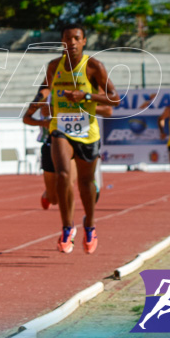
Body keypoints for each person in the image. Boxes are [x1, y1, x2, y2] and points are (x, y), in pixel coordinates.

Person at [40, 22, 119, 254]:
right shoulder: (54, 66)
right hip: (60, 127)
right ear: (62, 41)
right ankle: (67, 227)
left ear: (83, 41)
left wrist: (85, 96)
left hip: (87, 132)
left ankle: (90, 225)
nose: (71, 42)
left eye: (76, 38)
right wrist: (41, 100)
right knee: (63, 175)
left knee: (86, 183)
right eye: (67, 38)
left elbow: (114, 99)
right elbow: (45, 88)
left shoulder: (94, 66)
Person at [23, 85, 114, 210]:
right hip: (50, 142)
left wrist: (83, 105)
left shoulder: (89, 85)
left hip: (78, 139)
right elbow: (26, 118)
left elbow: (108, 110)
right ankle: (49, 194)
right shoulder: (45, 93)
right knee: (54, 199)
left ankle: (70, 226)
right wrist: (43, 122)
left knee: (68, 182)